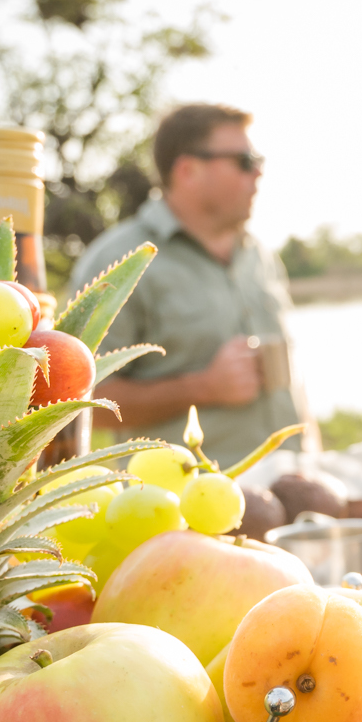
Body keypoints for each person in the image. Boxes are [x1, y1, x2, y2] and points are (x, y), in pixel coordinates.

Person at [69, 103, 311, 469]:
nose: (259, 172)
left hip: (295, 487)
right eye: (245, 160)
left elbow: (294, 381)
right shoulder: (117, 262)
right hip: (185, 510)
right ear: (188, 170)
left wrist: (313, 459)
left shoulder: (260, 254)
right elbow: (83, 401)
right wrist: (205, 387)